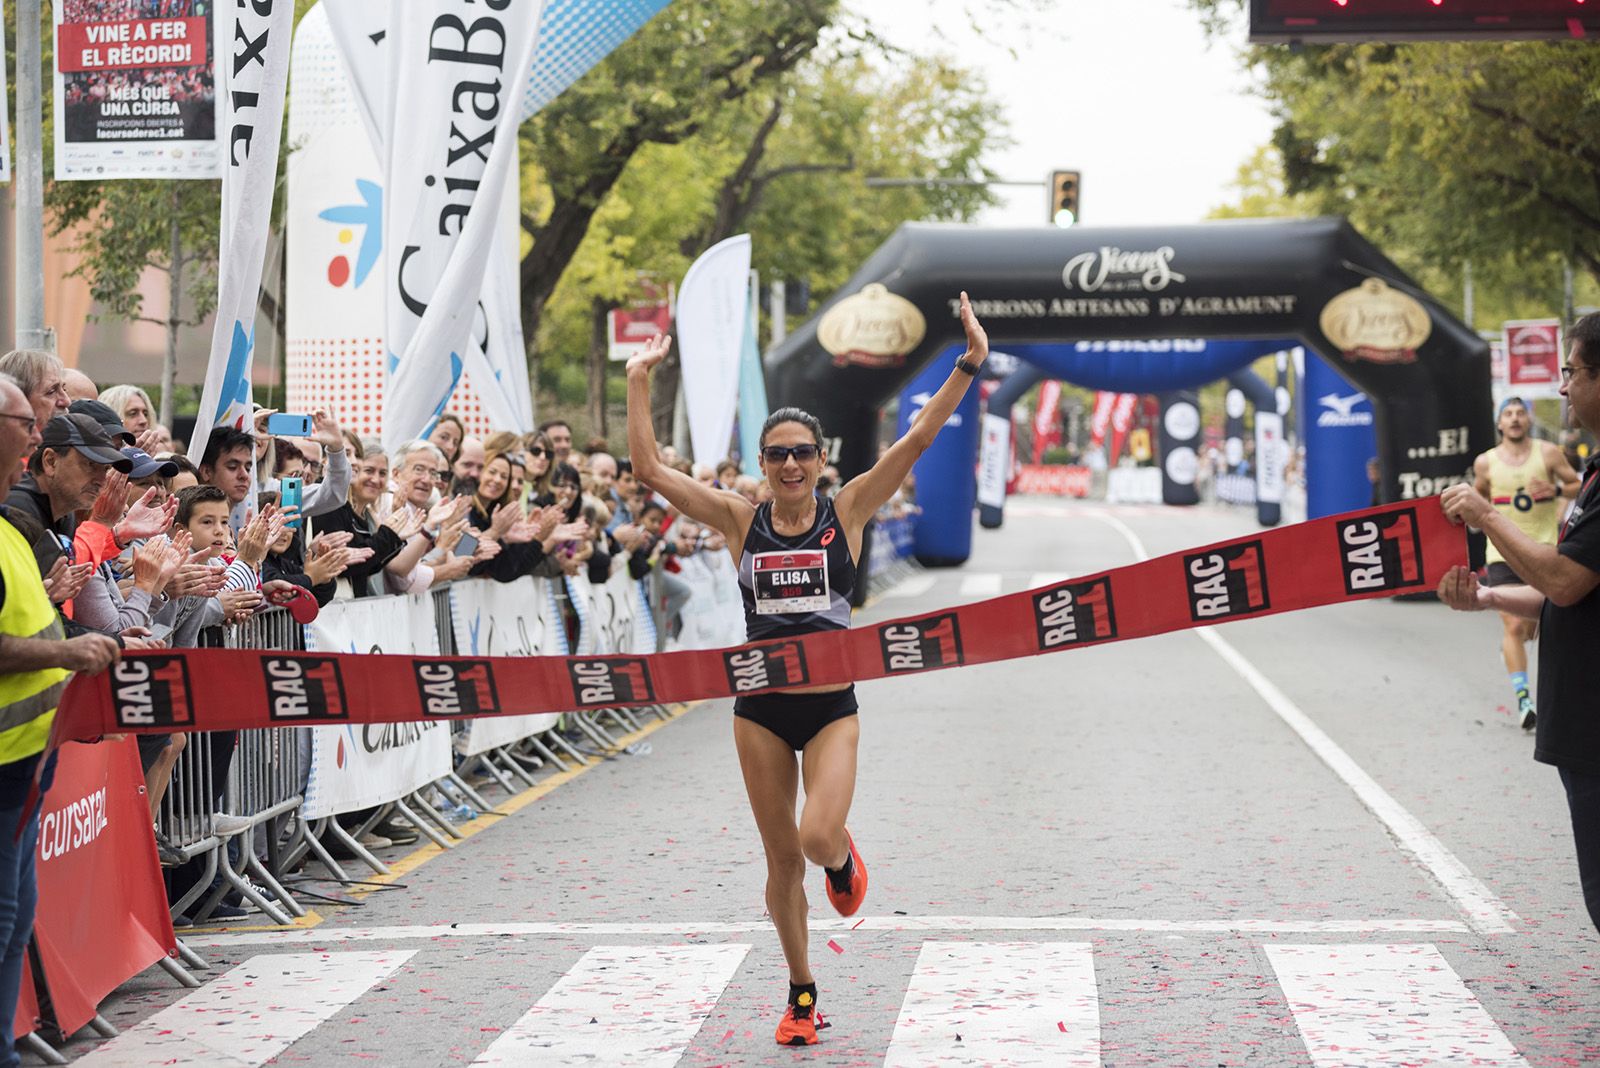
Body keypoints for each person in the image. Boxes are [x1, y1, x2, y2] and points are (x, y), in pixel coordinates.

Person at [624, 292, 989, 1047]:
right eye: (777, 454)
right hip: (758, 710)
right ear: (762, 464)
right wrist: (638, 381)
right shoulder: (736, 518)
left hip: (829, 709)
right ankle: (800, 994)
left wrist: (966, 365)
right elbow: (649, 469)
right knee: (781, 857)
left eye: (802, 453)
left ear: (821, 462)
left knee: (819, 838)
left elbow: (917, 438)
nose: (790, 464)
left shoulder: (848, 509)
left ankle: (846, 858)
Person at [1440, 311, 1600, 936]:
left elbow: (1565, 580)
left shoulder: (1562, 462)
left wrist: (1486, 517)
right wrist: (1486, 600)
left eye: (1573, 371)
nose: (1561, 387)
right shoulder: (1588, 472)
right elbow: (1573, 599)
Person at [0, 374, 120, 1067]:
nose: (33, 435)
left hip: (25, 766)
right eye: (27, 425)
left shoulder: (28, 530)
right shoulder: (17, 524)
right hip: (4, 772)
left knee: (12, 921)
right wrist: (65, 649)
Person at [1469, 397, 1581, 729]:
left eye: (1520, 413)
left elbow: (1576, 485)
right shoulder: (1485, 463)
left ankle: (1515, 656)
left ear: (1528, 420)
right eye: (1508, 414)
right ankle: (1524, 700)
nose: (1515, 419)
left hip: (1543, 549)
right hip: (1501, 552)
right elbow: (1477, 499)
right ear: (1499, 423)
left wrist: (1557, 489)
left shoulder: (1547, 453)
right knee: (1514, 625)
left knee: (1536, 626)